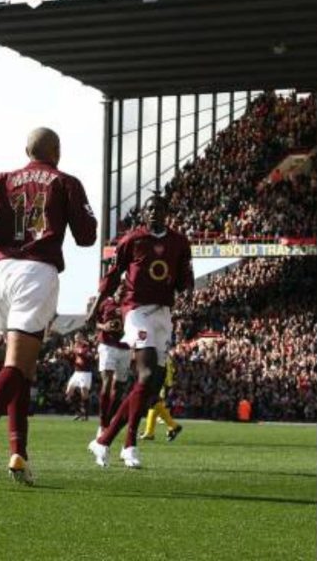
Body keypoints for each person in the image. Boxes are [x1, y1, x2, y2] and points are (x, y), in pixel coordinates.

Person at [0, 126, 97, 485]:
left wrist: (1, 239)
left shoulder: (2, 179)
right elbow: (86, 236)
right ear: (57, 151)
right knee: (19, 364)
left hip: (3, 272)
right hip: (37, 271)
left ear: (26, 149)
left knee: (23, 368)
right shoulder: (66, 181)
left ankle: (19, 454)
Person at [86, 193, 194, 469]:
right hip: (136, 310)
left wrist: (189, 291)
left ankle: (105, 441)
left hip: (163, 314)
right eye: (150, 208)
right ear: (144, 214)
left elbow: (185, 279)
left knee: (151, 386)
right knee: (145, 374)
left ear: (167, 211)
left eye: (159, 207)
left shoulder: (179, 242)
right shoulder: (132, 240)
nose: (155, 212)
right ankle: (129, 443)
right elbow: (112, 276)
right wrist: (95, 307)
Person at [94, 287, 131, 436]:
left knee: (120, 387)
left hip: (125, 347)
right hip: (107, 345)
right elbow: (94, 321)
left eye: (124, 294)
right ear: (115, 292)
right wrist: (104, 326)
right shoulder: (105, 303)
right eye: (119, 292)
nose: (121, 295)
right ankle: (103, 424)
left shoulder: (130, 306)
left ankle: (108, 421)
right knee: (107, 382)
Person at [141, 354, 183, 441]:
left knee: (154, 403)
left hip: (162, 383)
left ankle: (172, 427)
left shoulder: (159, 354)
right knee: (155, 405)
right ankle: (152, 432)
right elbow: (174, 369)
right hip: (165, 383)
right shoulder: (166, 355)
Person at [65, 332, 94, 421]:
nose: (76, 340)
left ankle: (85, 414)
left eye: (78, 338)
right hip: (77, 372)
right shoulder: (75, 348)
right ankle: (78, 412)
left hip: (85, 372)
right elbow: (72, 359)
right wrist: (66, 354)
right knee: (69, 391)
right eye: (75, 338)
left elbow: (89, 356)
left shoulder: (86, 346)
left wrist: (77, 350)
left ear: (82, 338)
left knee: (84, 393)